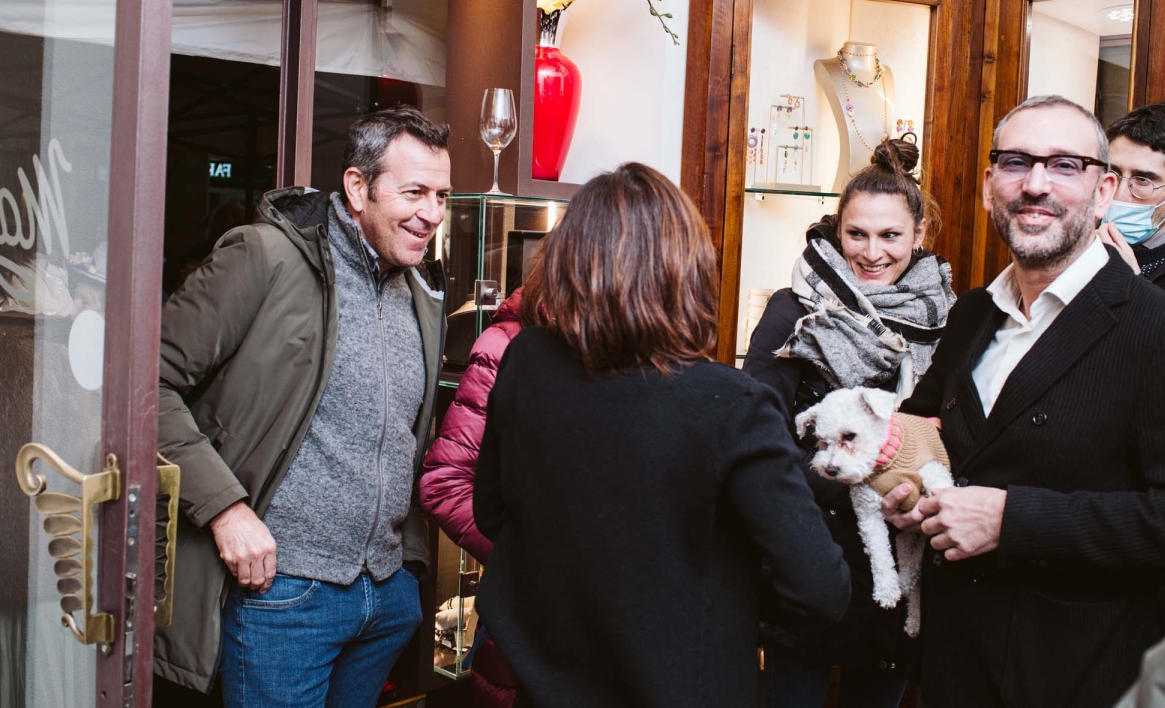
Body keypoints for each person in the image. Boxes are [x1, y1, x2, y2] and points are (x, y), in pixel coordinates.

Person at [473, 163, 852, 708]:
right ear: (686, 271)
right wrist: (715, 596)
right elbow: (819, 589)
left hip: (545, 680)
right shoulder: (730, 404)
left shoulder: (527, 359)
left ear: (567, 262)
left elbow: (492, 513)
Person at [153, 106, 452, 707]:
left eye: (441, 195)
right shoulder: (265, 257)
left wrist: (409, 565)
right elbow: (143, 386)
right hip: (284, 594)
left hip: (386, 596)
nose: (432, 213)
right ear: (358, 188)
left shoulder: (421, 290)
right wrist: (225, 510)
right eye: (414, 192)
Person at [885, 95, 1165, 708]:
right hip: (954, 665)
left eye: (1065, 165)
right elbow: (920, 429)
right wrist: (903, 488)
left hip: (1080, 674)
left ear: (1103, 191)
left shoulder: (1154, 328)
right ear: (990, 187)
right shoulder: (972, 314)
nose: (1036, 184)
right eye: (1017, 162)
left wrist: (1013, 521)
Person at [743, 138, 954, 708]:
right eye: (856, 234)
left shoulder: (947, 318)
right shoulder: (795, 308)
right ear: (838, 231)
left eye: (890, 235)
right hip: (809, 548)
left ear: (919, 234)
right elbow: (758, 431)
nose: (872, 252)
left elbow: (947, 431)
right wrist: (855, 482)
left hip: (900, 551)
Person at [419, 286, 525, 708]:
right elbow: (444, 482)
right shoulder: (507, 342)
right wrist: (524, 557)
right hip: (523, 613)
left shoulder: (641, 347)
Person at [1097, 102, 1165, 289]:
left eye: (1143, 180)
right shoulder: (1084, 240)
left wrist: (1133, 283)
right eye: (1113, 173)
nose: (1119, 194)